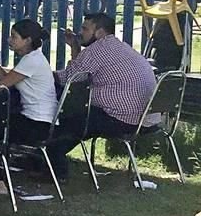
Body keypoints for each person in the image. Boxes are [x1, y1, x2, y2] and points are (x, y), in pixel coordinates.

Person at [48, 13, 157, 179]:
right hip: (146, 118)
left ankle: (52, 164)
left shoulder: (97, 50)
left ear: (99, 32)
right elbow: (81, 74)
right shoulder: (118, 47)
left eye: (85, 29)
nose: (80, 32)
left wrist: (42, 76)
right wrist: (76, 48)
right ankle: (51, 157)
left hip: (124, 119)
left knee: (71, 115)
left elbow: (70, 79)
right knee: (78, 115)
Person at [0, 19, 58, 180]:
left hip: (37, 124)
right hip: (39, 119)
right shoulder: (33, 58)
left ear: (28, 40)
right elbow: (5, 79)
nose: (9, 40)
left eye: (14, 37)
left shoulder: (31, 60)